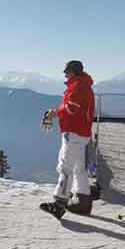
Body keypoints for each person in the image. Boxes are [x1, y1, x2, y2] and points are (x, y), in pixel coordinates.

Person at [40, 60, 95, 219]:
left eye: (67, 71)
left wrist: (54, 112)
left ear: (74, 71)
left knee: (65, 167)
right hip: (81, 132)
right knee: (79, 167)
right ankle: (83, 202)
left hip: (74, 132)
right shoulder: (82, 85)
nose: (65, 74)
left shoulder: (78, 86)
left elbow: (72, 107)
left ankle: (59, 204)